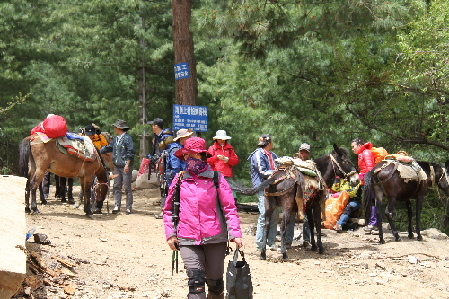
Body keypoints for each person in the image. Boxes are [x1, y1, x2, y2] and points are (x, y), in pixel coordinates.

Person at [163, 137, 243, 299]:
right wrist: (170, 234)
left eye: (193, 155)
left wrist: (235, 233)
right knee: (196, 286)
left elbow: (229, 207)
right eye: (186, 156)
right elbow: (168, 209)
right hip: (187, 238)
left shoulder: (216, 178)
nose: (189, 159)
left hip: (215, 238)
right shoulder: (179, 180)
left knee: (215, 286)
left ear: (203, 156)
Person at [248, 134, 295, 251]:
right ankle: (260, 243)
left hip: (273, 188)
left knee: (274, 215)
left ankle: (271, 242)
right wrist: (278, 172)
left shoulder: (273, 155)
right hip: (262, 187)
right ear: (269, 143)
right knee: (264, 215)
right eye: (271, 142)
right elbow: (262, 171)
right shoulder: (258, 154)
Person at [154, 128, 193, 219]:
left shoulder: (182, 148)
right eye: (187, 137)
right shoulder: (176, 149)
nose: (189, 139)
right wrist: (180, 177)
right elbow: (175, 167)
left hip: (181, 175)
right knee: (174, 195)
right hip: (175, 176)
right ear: (182, 138)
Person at [100, 120, 135, 215]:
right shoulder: (116, 139)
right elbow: (108, 148)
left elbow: (130, 152)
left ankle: (128, 207)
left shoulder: (128, 138)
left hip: (125, 166)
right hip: (117, 166)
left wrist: (127, 164)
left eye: (115, 127)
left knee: (127, 187)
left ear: (119, 128)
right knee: (116, 186)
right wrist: (98, 150)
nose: (114, 129)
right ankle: (117, 206)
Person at [350, 137, 378, 234]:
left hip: (370, 182)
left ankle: (374, 223)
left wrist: (360, 177)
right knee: (369, 202)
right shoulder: (361, 154)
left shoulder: (366, 153)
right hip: (366, 182)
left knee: (372, 202)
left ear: (359, 145)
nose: (352, 149)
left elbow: (370, 170)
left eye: (353, 146)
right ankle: (371, 222)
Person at [296, 143, 313, 247]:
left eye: (305, 152)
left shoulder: (311, 165)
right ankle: (288, 240)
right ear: (299, 152)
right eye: (301, 151)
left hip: (307, 195)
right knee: (290, 217)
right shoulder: (293, 162)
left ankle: (306, 240)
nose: (303, 153)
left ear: (308, 153)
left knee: (307, 218)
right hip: (294, 194)